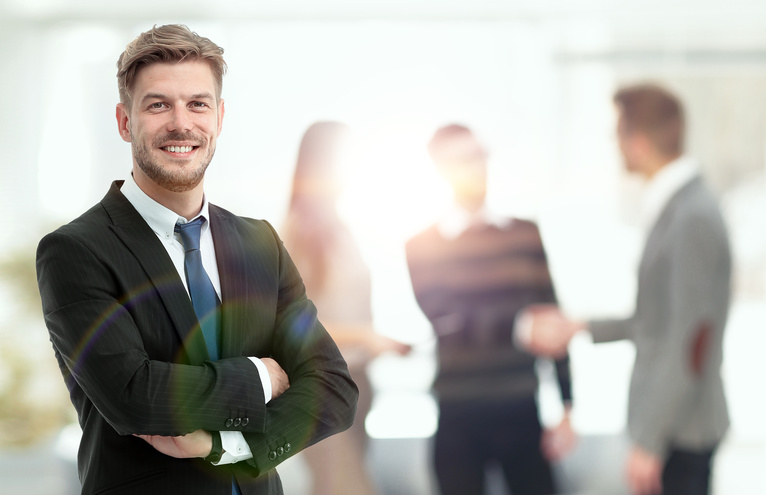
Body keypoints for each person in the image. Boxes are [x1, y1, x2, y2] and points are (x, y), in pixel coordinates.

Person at [35, 24, 357, 495]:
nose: (181, 124)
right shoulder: (76, 250)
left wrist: (223, 445)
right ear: (125, 122)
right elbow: (134, 396)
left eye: (198, 104)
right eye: (158, 104)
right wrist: (259, 376)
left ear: (219, 118)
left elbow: (333, 388)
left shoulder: (259, 242)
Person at [523, 84, 731, 495]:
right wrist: (580, 327)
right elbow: (657, 320)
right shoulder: (678, 207)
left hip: (681, 429)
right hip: (674, 423)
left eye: (615, 135)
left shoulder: (691, 216)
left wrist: (651, 438)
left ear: (636, 143)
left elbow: (689, 337)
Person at [405, 124, 575, 495]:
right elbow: (446, 321)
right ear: (439, 168)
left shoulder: (524, 234)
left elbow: (552, 320)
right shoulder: (422, 246)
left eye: (479, 155)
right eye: (461, 159)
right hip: (458, 416)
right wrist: (519, 327)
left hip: (521, 411)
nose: (475, 166)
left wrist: (566, 406)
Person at [280, 121, 410, 495]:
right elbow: (296, 327)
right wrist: (368, 337)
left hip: (356, 383)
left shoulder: (341, 227)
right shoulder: (297, 232)